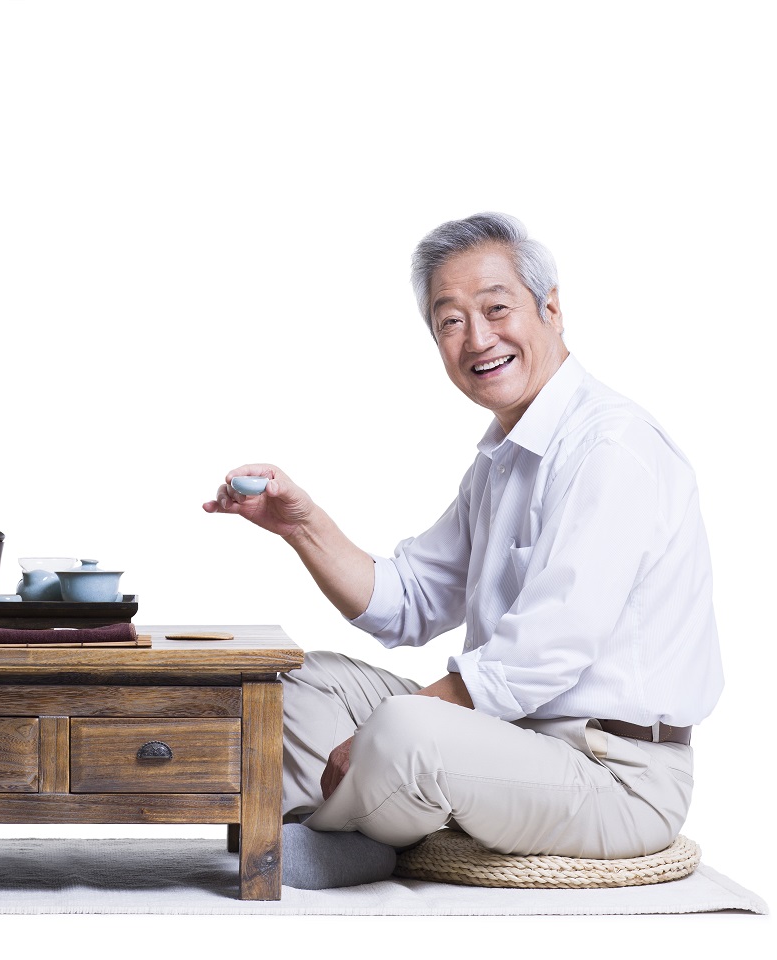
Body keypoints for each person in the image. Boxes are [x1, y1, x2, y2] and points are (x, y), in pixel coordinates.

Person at [204, 212, 723, 889]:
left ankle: (343, 838)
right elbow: (408, 602)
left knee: (405, 731)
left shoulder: (611, 447)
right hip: (520, 743)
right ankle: (368, 814)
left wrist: (390, 727)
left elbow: (542, 655)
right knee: (294, 685)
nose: (477, 338)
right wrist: (300, 524)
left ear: (552, 308)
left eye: (496, 308)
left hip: (615, 777)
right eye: (449, 321)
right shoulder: (503, 462)